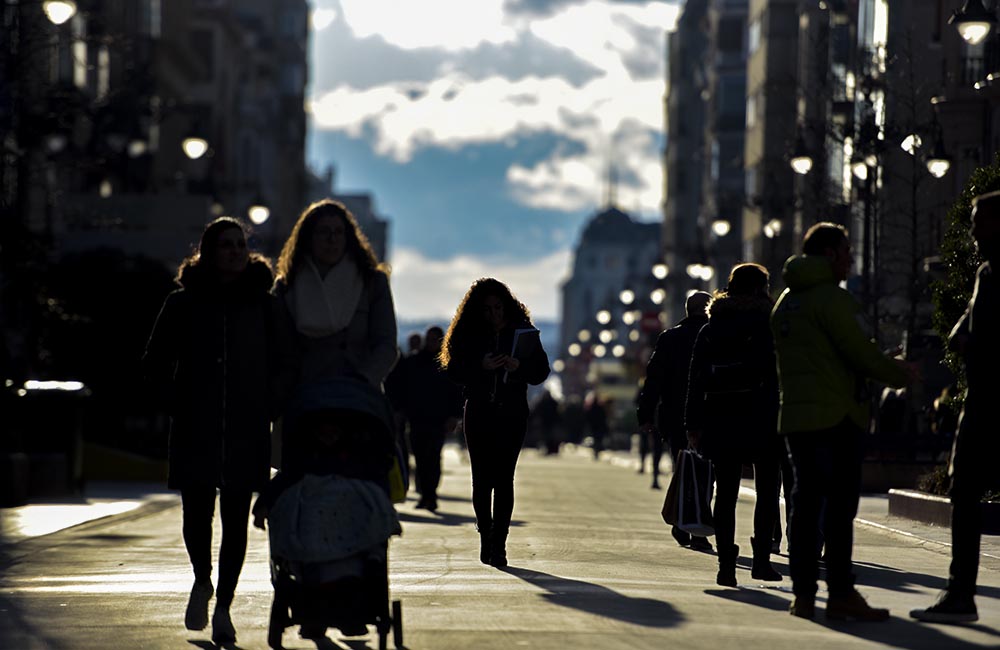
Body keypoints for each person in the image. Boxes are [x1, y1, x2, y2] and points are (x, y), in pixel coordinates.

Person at [143, 217, 295, 644]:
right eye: (225, 245)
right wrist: (178, 403)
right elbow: (154, 364)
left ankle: (225, 605)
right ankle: (201, 580)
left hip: (248, 428)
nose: (234, 251)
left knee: (235, 520)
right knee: (196, 514)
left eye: (240, 244)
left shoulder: (266, 306)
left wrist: (270, 404)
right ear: (207, 252)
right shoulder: (182, 303)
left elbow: (286, 364)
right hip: (196, 428)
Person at [771, 222, 914, 621]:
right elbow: (860, 353)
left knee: (803, 501)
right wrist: (899, 373)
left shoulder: (785, 302)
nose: (852, 257)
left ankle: (802, 594)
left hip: (797, 417)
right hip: (837, 416)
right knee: (838, 508)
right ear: (830, 254)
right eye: (847, 249)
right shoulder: (833, 301)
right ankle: (840, 593)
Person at [910, 190, 1000, 624]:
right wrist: (962, 334)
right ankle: (960, 592)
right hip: (981, 402)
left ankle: (960, 593)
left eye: (979, 221)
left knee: (965, 494)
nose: (973, 230)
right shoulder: (986, 270)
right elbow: (969, 319)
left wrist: (973, 340)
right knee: (963, 493)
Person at [440, 278, 550, 567]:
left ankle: (499, 543)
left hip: (512, 413)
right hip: (479, 411)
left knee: (504, 479)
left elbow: (541, 371)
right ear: (478, 311)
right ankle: (485, 535)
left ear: (507, 306)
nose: (494, 314)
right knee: (481, 480)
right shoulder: (468, 334)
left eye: (498, 308)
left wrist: (519, 366)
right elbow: (453, 371)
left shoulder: (522, 332)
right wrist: (481, 365)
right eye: (487, 309)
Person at [685, 264, 782, 587]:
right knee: (768, 488)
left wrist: (693, 423)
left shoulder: (712, 328)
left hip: (721, 416)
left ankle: (726, 564)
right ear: (761, 288)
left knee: (725, 493)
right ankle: (762, 561)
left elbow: (695, 380)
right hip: (763, 415)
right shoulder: (771, 323)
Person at [274, 199, 399, 390]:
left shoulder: (371, 282)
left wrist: (364, 380)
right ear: (309, 238)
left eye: (339, 232)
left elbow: (386, 345)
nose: (332, 240)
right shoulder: (287, 286)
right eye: (324, 232)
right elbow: (279, 348)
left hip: (358, 395)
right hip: (303, 396)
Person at [637, 290, 713, 551]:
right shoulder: (716, 335)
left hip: (674, 416)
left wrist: (646, 414)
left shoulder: (670, 338)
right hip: (708, 414)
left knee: (682, 467)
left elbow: (654, 379)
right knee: (706, 473)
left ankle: (683, 521)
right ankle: (696, 528)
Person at [405, 326, 463, 512]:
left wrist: (454, 416)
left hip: (439, 419)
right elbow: (404, 388)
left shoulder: (448, 364)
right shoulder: (414, 362)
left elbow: (456, 392)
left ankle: (430, 494)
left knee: (433, 457)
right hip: (417, 418)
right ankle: (426, 494)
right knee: (421, 458)